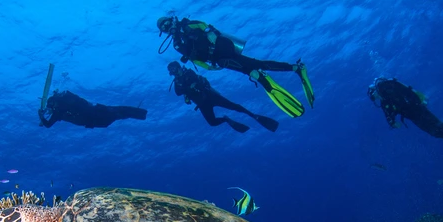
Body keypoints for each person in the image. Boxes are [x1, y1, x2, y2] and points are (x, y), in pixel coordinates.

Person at [157, 16, 314, 118]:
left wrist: (210, 32)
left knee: (251, 67)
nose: (166, 26)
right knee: (254, 65)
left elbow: (204, 25)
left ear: (172, 20)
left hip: (221, 47)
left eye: (166, 23)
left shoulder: (187, 25)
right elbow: (193, 59)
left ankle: (267, 77)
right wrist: (208, 67)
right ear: (163, 32)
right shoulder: (177, 44)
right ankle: (293, 69)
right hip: (216, 59)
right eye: (163, 27)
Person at [367, 77, 443, 168]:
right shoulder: (385, 102)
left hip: (417, 108)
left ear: (374, 91)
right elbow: (389, 116)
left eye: (374, 97)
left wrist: (419, 98)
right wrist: (393, 123)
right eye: (374, 99)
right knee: (435, 132)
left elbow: (405, 90)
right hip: (413, 116)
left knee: (438, 125)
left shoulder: (386, 87)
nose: (377, 99)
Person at [167, 62, 279, 134]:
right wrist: (186, 88)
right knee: (212, 123)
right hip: (202, 104)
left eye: (174, 69)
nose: (173, 73)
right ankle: (226, 119)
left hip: (210, 96)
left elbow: (195, 81)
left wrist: (188, 87)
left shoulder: (189, 72)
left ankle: (253, 115)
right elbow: (178, 93)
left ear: (178, 67)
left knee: (234, 107)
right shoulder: (177, 82)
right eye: (171, 71)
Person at [38, 90, 147, 129]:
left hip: (95, 120)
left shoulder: (58, 112)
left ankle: (140, 114)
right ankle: (141, 114)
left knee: (118, 114)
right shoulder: (64, 103)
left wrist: (41, 115)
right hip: (97, 111)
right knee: (119, 111)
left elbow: (47, 125)